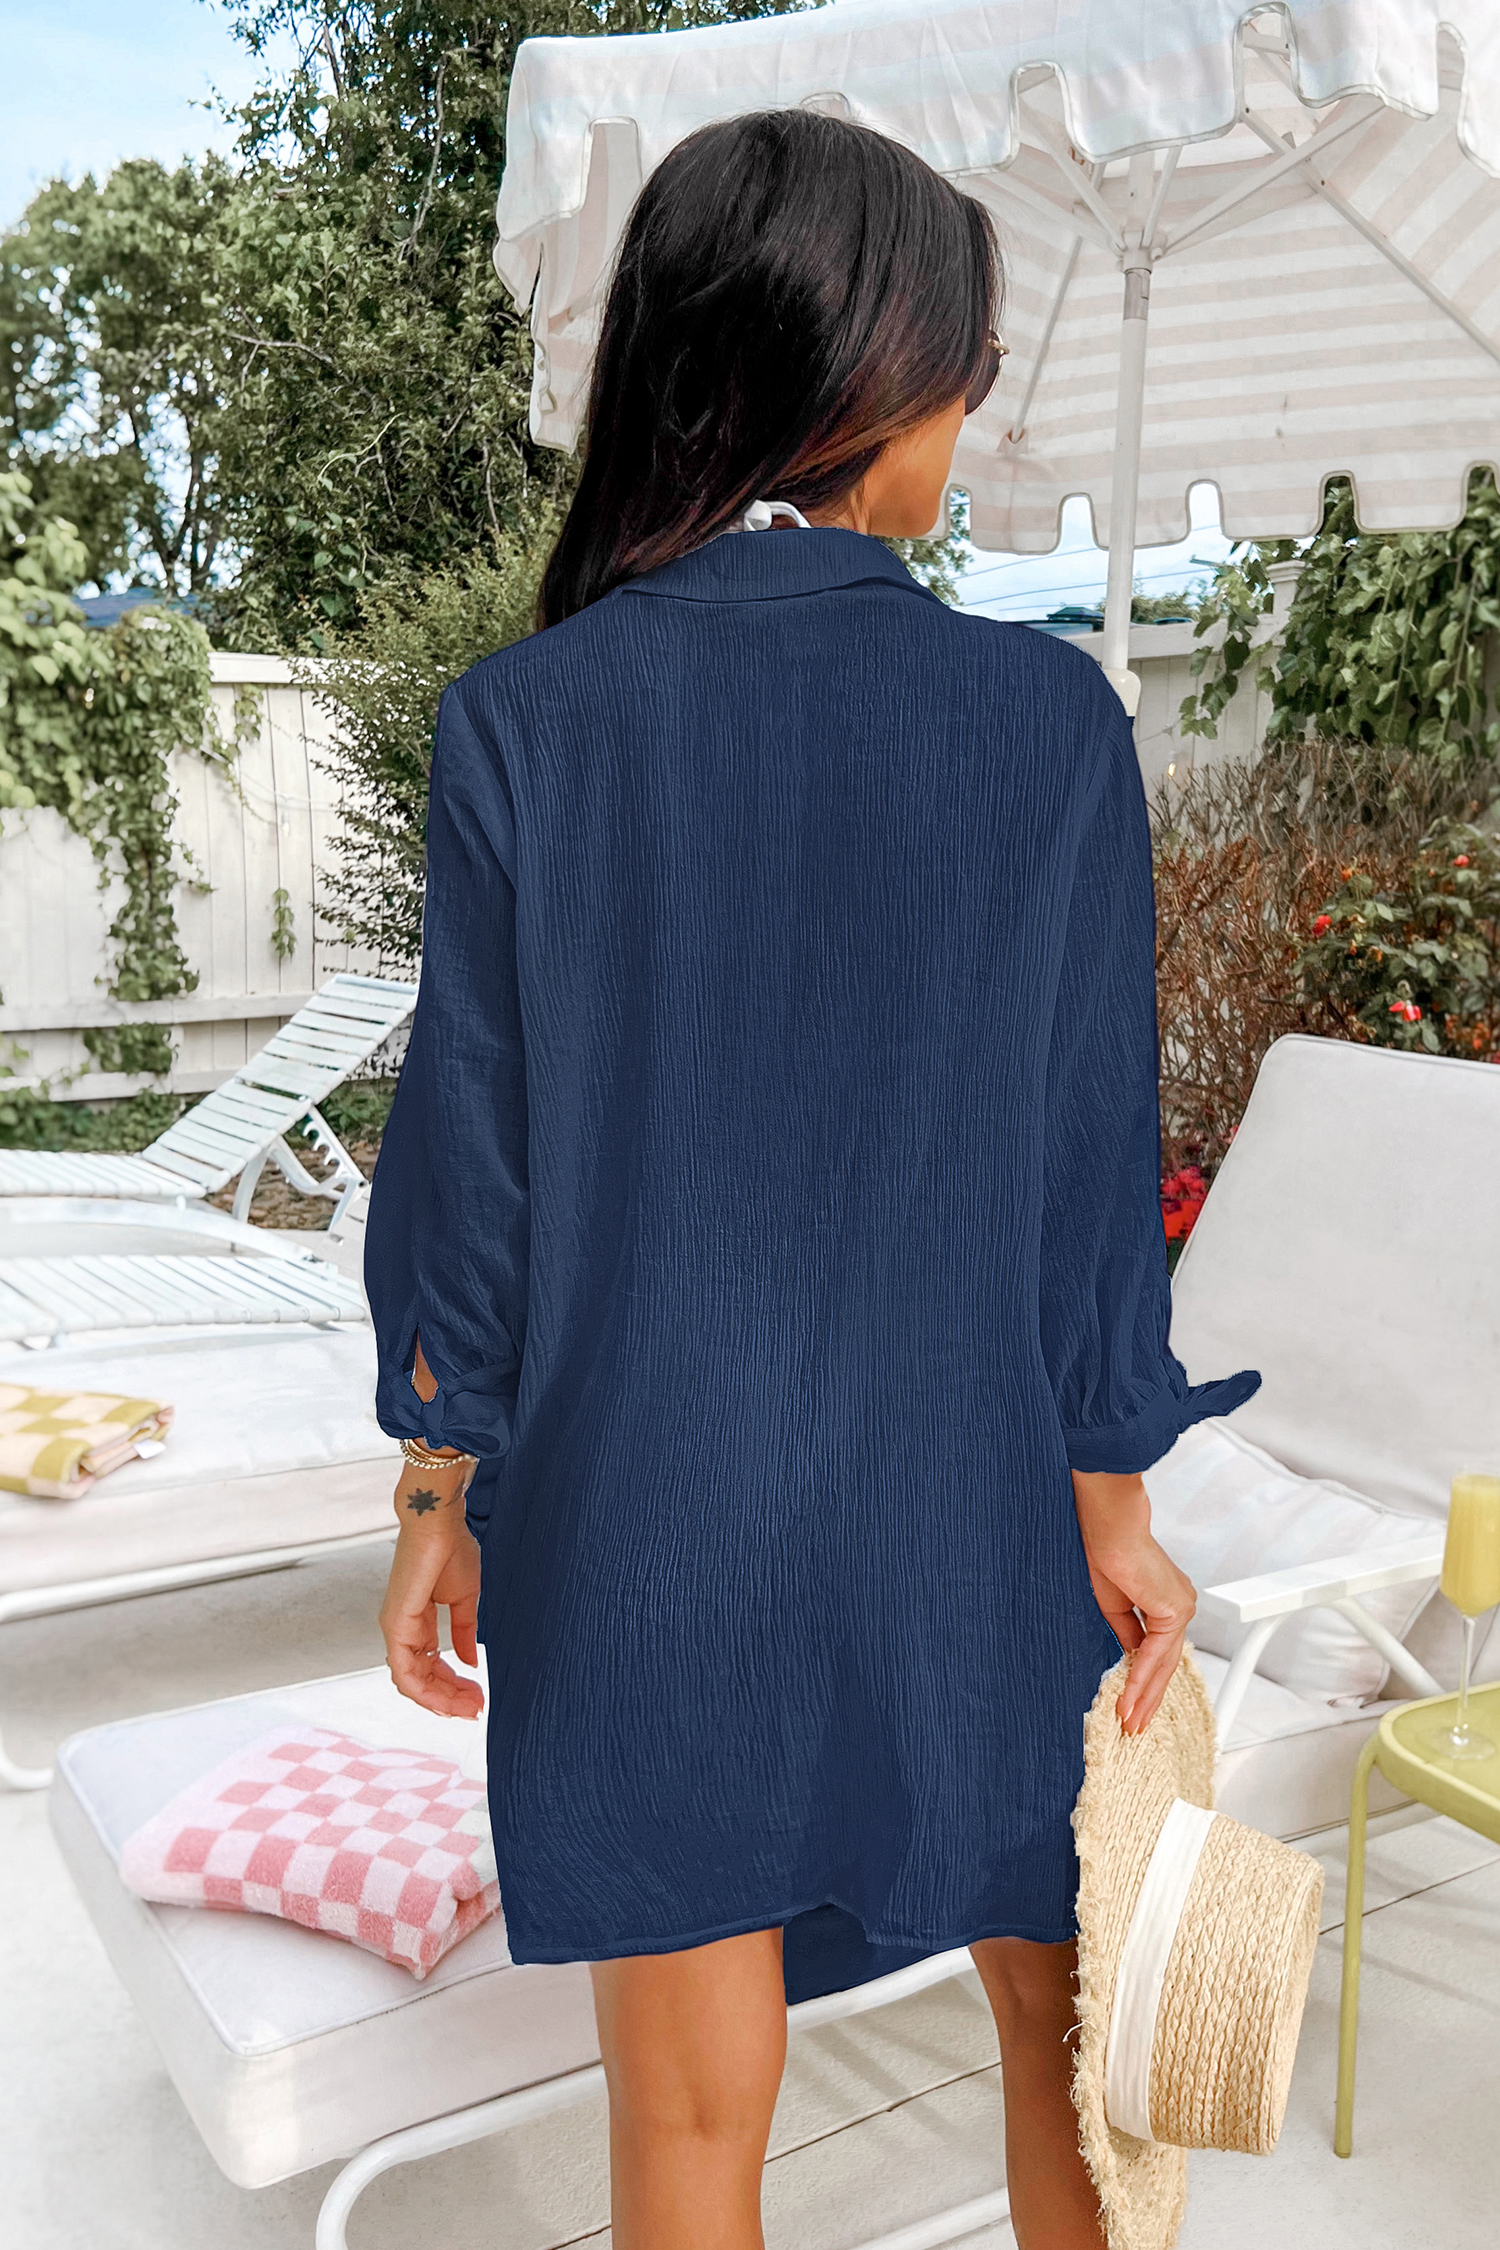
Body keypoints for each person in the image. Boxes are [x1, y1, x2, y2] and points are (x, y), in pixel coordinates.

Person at [364, 107, 1258, 2250]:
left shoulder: (525, 725)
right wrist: (1113, 1514)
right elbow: (1089, 1182)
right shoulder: (1048, 728)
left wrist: (436, 1495)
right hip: (969, 1515)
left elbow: (470, 1177)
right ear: (869, 371)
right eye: (970, 367)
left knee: (690, 2129)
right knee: (1087, 2050)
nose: (976, 412)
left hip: (643, 1528)